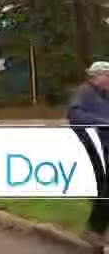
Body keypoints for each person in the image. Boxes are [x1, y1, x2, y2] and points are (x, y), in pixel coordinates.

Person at [68, 61, 109, 247]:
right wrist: (102, 122)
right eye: (107, 76)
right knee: (103, 191)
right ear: (96, 76)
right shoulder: (84, 92)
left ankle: (95, 232)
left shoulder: (105, 94)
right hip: (93, 150)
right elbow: (74, 116)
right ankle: (94, 231)